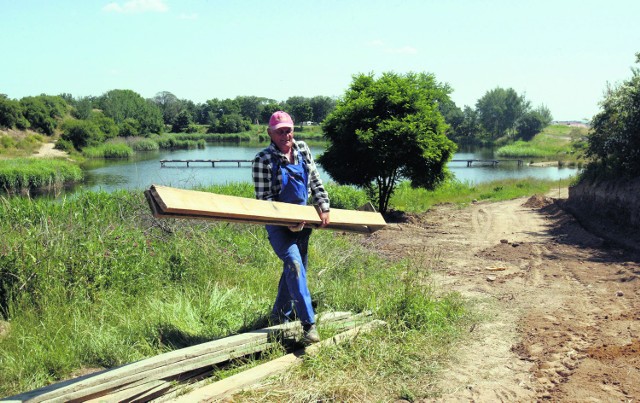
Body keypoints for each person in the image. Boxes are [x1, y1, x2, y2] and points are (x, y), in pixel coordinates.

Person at [252, 111, 330, 343]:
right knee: (295, 264)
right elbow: (263, 200)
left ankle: (278, 316)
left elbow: (315, 180)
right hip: (277, 224)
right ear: (270, 133)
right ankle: (309, 325)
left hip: (303, 221)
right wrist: (286, 221)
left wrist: (323, 205)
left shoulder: (303, 149)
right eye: (280, 131)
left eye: (288, 130)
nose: (285, 135)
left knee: (294, 270)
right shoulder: (262, 160)